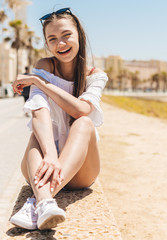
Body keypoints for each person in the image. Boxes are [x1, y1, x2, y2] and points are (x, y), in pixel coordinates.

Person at [10, 8, 108, 230]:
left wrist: (40, 82)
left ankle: (37, 200)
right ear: (47, 44)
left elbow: (82, 110)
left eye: (66, 35)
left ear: (79, 36)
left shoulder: (95, 75)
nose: (60, 43)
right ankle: (44, 202)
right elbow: (38, 110)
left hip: (81, 171)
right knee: (38, 129)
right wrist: (51, 154)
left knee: (84, 122)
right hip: (43, 163)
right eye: (52, 39)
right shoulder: (45, 66)